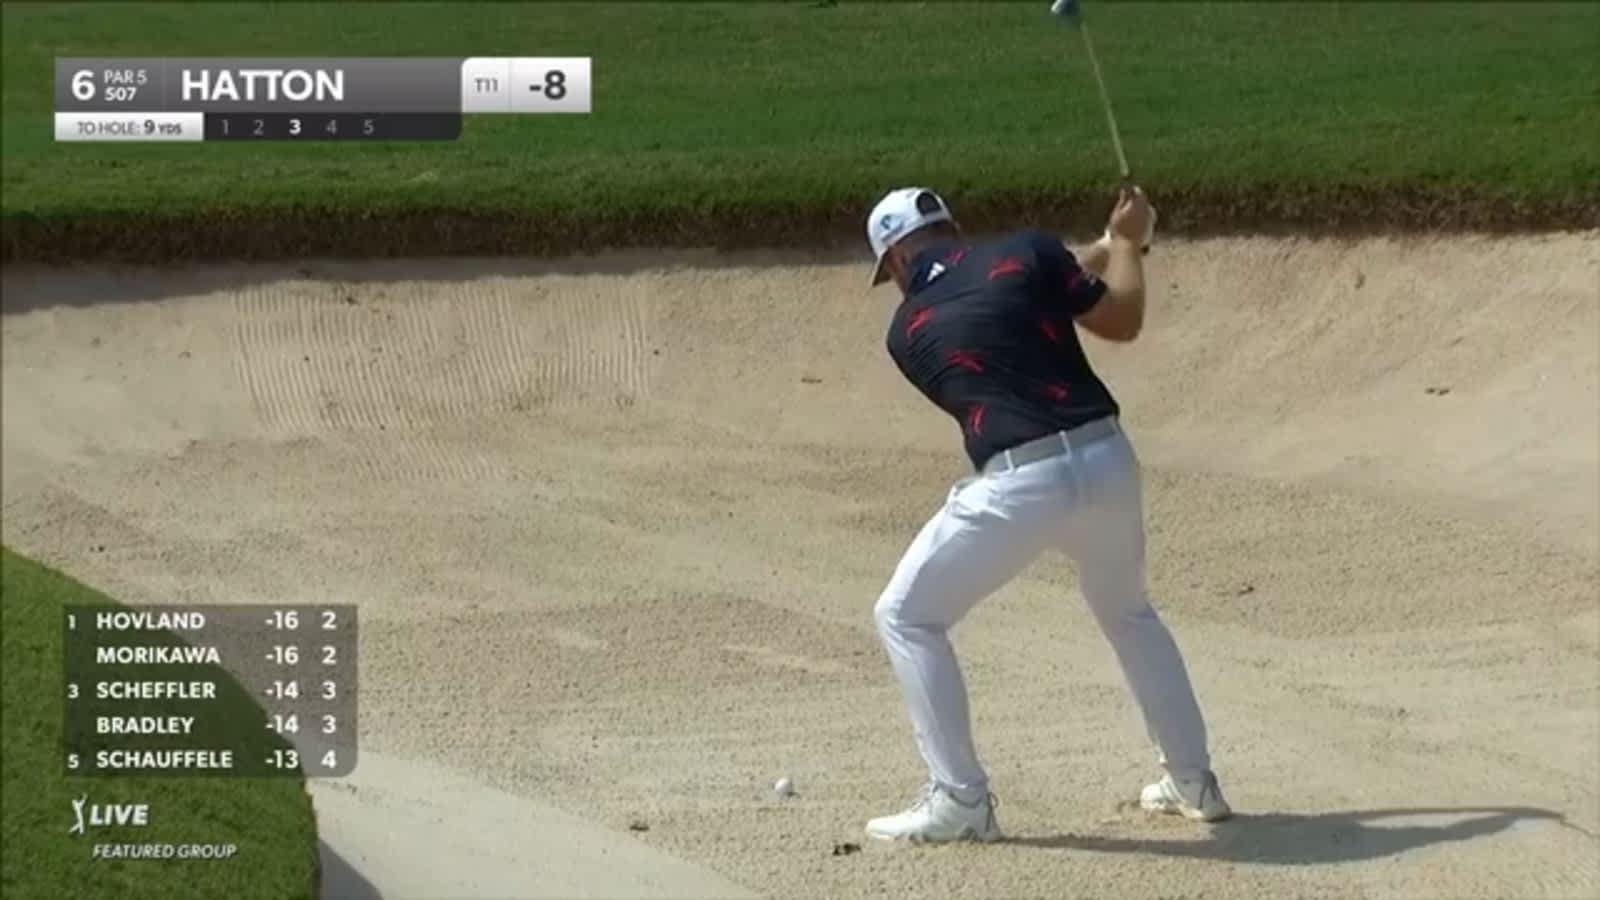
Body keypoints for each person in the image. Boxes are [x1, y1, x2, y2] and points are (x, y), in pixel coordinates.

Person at [861, 184, 1231, 843]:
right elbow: (1120, 317)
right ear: (958, 228)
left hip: (1017, 486)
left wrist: (1112, 245)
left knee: (906, 616)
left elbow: (1002, 292)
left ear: (893, 265)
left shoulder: (905, 330)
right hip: (1109, 463)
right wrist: (1128, 243)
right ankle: (1193, 779)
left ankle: (961, 799)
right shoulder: (1028, 251)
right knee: (1129, 614)